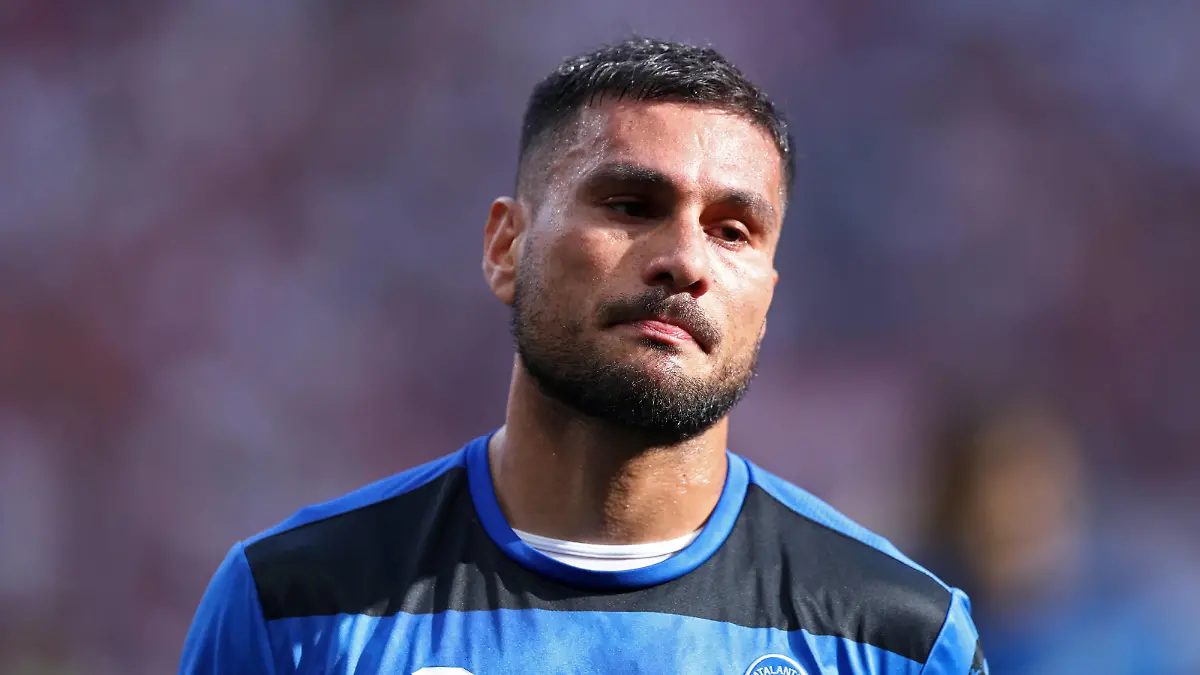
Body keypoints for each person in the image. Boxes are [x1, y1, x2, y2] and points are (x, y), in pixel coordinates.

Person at [179, 37, 987, 675]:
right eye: (632, 205)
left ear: (769, 294)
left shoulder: (898, 637)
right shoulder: (291, 604)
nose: (686, 261)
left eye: (732, 230)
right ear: (507, 246)